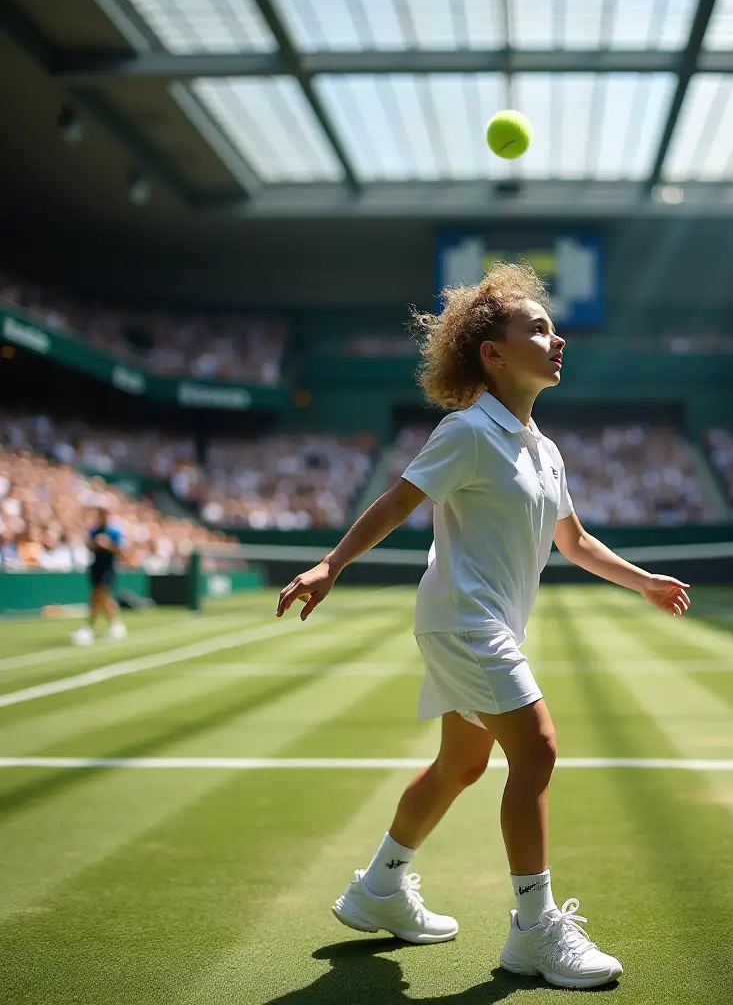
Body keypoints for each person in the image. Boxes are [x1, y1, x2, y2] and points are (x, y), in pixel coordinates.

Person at [276, 263, 690, 990]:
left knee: (462, 766)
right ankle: (534, 930)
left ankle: (378, 888)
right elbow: (399, 501)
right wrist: (331, 565)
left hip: (483, 621)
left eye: (552, 326)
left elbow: (576, 542)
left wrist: (645, 581)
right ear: (493, 354)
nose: (556, 338)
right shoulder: (468, 431)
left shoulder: (544, 447)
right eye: (536, 328)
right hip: (465, 620)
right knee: (537, 751)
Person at [71, 506, 127, 645]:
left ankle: (90, 626)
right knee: (101, 596)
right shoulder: (94, 531)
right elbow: (89, 546)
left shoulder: (114, 532)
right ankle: (116, 625)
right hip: (96, 566)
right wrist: (95, 544)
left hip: (108, 566)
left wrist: (108, 545)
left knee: (99, 595)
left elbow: (121, 551)